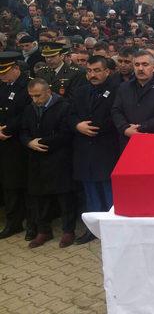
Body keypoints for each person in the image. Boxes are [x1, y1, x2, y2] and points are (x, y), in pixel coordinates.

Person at [69, 55, 120, 244]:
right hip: (84, 149)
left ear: (107, 71)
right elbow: (70, 114)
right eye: (89, 71)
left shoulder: (117, 90)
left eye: (97, 70)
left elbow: (117, 115)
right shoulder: (80, 91)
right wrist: (77, 125)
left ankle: (112, 230)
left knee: (108, 192)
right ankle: (93, 230)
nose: (92, 74)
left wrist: (96, 127)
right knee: (90, 192)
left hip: (106, 148)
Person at [20, 78, 76, 248]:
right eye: (31, 96)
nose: (35, 100)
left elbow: (66, 133)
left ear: (48, 92)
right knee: (39, 197)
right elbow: (23, 131)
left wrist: (42, 142)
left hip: (58, 158)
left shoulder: (64, 107)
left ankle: (68, 231)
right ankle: (43, 231)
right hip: (37, 159)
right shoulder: (30, 109)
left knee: (64, 197)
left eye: (38, 96)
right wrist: (29, 143)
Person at [111, 50, 154, 149]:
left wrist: (140, 128)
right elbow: (116, 111)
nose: (140, 68)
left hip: (153, 141)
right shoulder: (124, 87)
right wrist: (125, 128)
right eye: (137, 65)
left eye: (145, 64)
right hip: (127, 140)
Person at [0, 53, 34, 240]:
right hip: (4, 143)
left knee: (26, 185)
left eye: (5, 72)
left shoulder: (27, 86)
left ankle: (32, 223)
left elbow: (26, 113)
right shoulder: (3, 86)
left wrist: (8, 129)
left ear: (15, 68)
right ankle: (13, 223)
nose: (2, 76)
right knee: (9, 185)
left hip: (20, 142)